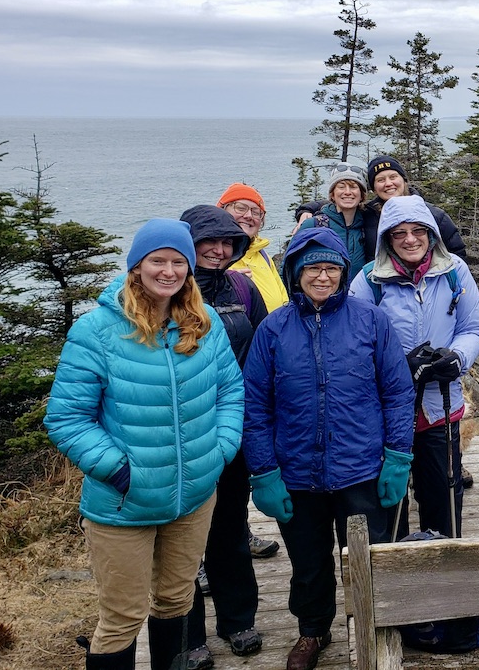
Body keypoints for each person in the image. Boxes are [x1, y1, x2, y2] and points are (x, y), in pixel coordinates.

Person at [44, 218, 244, 670]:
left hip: (193, 495)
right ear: (137, 266)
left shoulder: (205, 321)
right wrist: (118, 469)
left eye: (178, 262)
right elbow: (66, 418)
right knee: (121, 618)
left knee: (176, 600)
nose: (168, 271)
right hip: (123, 503)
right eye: (158, 261)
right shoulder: (96, 330)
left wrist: (221, 450)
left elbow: (231, 391)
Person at [242, 227, 415, 670]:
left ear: (343, 271)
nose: (323, 276)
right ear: (296, 272)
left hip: (362, 467)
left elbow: (397, 392)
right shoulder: (272, 329)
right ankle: (312, 630)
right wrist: (263, 471)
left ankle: (374, 628)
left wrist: (398, 456)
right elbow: (254, 404)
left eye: (332, 267)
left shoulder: (371, 320)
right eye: (313, 268)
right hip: (297, 471)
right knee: (308, 562)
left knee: (369, 559)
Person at [349, 195, 479, 538]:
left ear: (431, 233)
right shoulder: (368, 281)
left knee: (443, 496)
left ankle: (442, 568)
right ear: (387, 239)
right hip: (386, 412)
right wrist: (397, 367)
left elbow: (474, 327)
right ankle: (396, 570)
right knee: (390, 501)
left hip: (441, 403)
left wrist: (456, 357)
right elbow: (351, 344)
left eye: (418, 231)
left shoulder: (455, 271)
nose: (410, 239)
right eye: (400, 233)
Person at [182, 205, 270, 668]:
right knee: (180, 538)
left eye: (227, 243)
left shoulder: (242, 287)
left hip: (233, 426)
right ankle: (185, 636)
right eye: (207, 243)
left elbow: (258, 353)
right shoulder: (170, 290)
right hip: (181, 433)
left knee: (230, 526)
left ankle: (237, 620)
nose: (218, 251)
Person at [216, 182, 284, 558]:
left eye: (254, 211)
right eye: (237, 208)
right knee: (211, 471)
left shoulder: (262, 258)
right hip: (220, 378)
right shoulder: (216, 258)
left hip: (259, 370)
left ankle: (238, 532)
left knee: (238, 463)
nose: (246, 216)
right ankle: (200, 556)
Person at [294, 154, 468, 261]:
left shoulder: (433, 215)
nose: (388, 184)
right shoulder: (368, 214)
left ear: (404, 180)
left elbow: (457, 254)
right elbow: (342, 204)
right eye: (380, 180)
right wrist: (307, 209)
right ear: (373, 188)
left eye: (393, 176)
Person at [218, 182, 289, 313]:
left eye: (256, 212)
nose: (249, 216)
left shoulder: (263, 256)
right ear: (222, 210)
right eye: (240, 208)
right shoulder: (210, 255)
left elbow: (284, 301)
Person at [295, 162, 372, 278]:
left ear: (361, 195)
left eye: (353, 187)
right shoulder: (315, 224)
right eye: (341, 187)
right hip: (323, 292)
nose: (347, 192)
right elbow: (289, 264)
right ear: (332, 194)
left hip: (360, 294)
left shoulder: (368, 224)